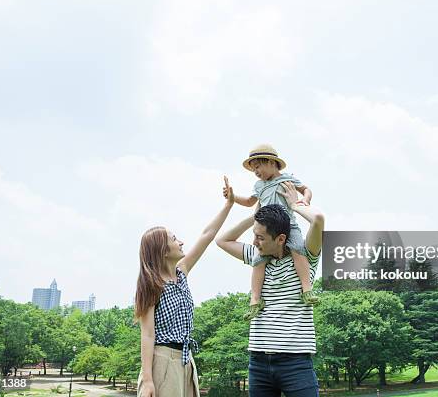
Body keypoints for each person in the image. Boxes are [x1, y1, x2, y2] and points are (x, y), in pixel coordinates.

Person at [217, 181, 325, 396]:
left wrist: (295, 206)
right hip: (258, 362)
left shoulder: (306, 257)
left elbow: (318, 220)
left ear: (281, 238)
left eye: (261, 237)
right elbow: (222, 240)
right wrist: (258, 217)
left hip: (296, 363)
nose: (254, 242)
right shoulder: (257, 256)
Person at [134, 177, 235, 397]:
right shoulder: (151, 284)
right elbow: (148, 334)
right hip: (163, 361)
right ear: (162, 250)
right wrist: (149, 380)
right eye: (174, 239)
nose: (181, 242)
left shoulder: (182, 272)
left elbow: (207, 235)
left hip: (186, 360)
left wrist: (228, 205)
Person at [230, 144, 319, 320]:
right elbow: (249, 202)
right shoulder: (259, 185)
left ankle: (307, 289)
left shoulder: (287, 179)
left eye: (258, 166)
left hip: (289, 225)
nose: (255, 171)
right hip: (267, 228)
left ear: (271, 162)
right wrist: (232, 198)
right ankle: (255, 299)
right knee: (258, 261)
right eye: (253, 168)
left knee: (298, 251)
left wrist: (304, 201)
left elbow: (306, 190)